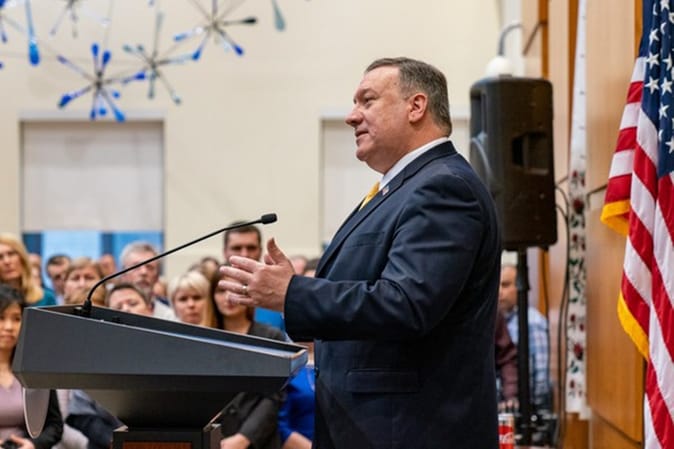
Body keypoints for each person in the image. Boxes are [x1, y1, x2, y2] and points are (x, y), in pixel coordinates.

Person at [219, 57, 501, 448]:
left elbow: (406, 304)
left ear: (416, 106)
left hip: (409, 430)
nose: (352, 116)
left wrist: (293, 293)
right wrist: (296, 290)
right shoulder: (402, 187)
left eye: (367, 101)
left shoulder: (443, 187)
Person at [209, 271, 284, 449]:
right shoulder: (205, 339)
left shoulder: (270, 338)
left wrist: (244, 438)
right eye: (221, 291)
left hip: (259, 441)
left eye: (235, 289)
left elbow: (274, 397)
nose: (228, 297)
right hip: (217, 439)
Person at [0, 284, 63, 449]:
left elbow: (55, 425)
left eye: (16, 319)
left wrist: (33, 444)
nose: (9, 327)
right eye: (1, 318)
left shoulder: (35, 367)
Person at [498, 263, 552, 410]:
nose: (500, 292)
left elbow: (541, 380)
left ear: (519, 287)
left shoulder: (532, 322)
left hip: (526, 407)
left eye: (505, 285)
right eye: (498, 286)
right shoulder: (497, 321)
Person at [223, 224, 284, 331]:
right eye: (237, 248)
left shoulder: (277, 289)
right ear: (225, 252)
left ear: (260, 250)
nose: (244, 254)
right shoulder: (209, 288)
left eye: (251, 248)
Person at [119, 242, 175, 320]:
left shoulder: (171, 316)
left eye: (150, 267)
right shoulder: (109, 309)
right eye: (136, 266)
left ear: (157, 277)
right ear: (123, 274)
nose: (144, 272)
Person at [0, 233, 56, 307]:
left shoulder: (46, 298)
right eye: (0, 257)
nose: (7, 261)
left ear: (22, 258)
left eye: (11, 254)